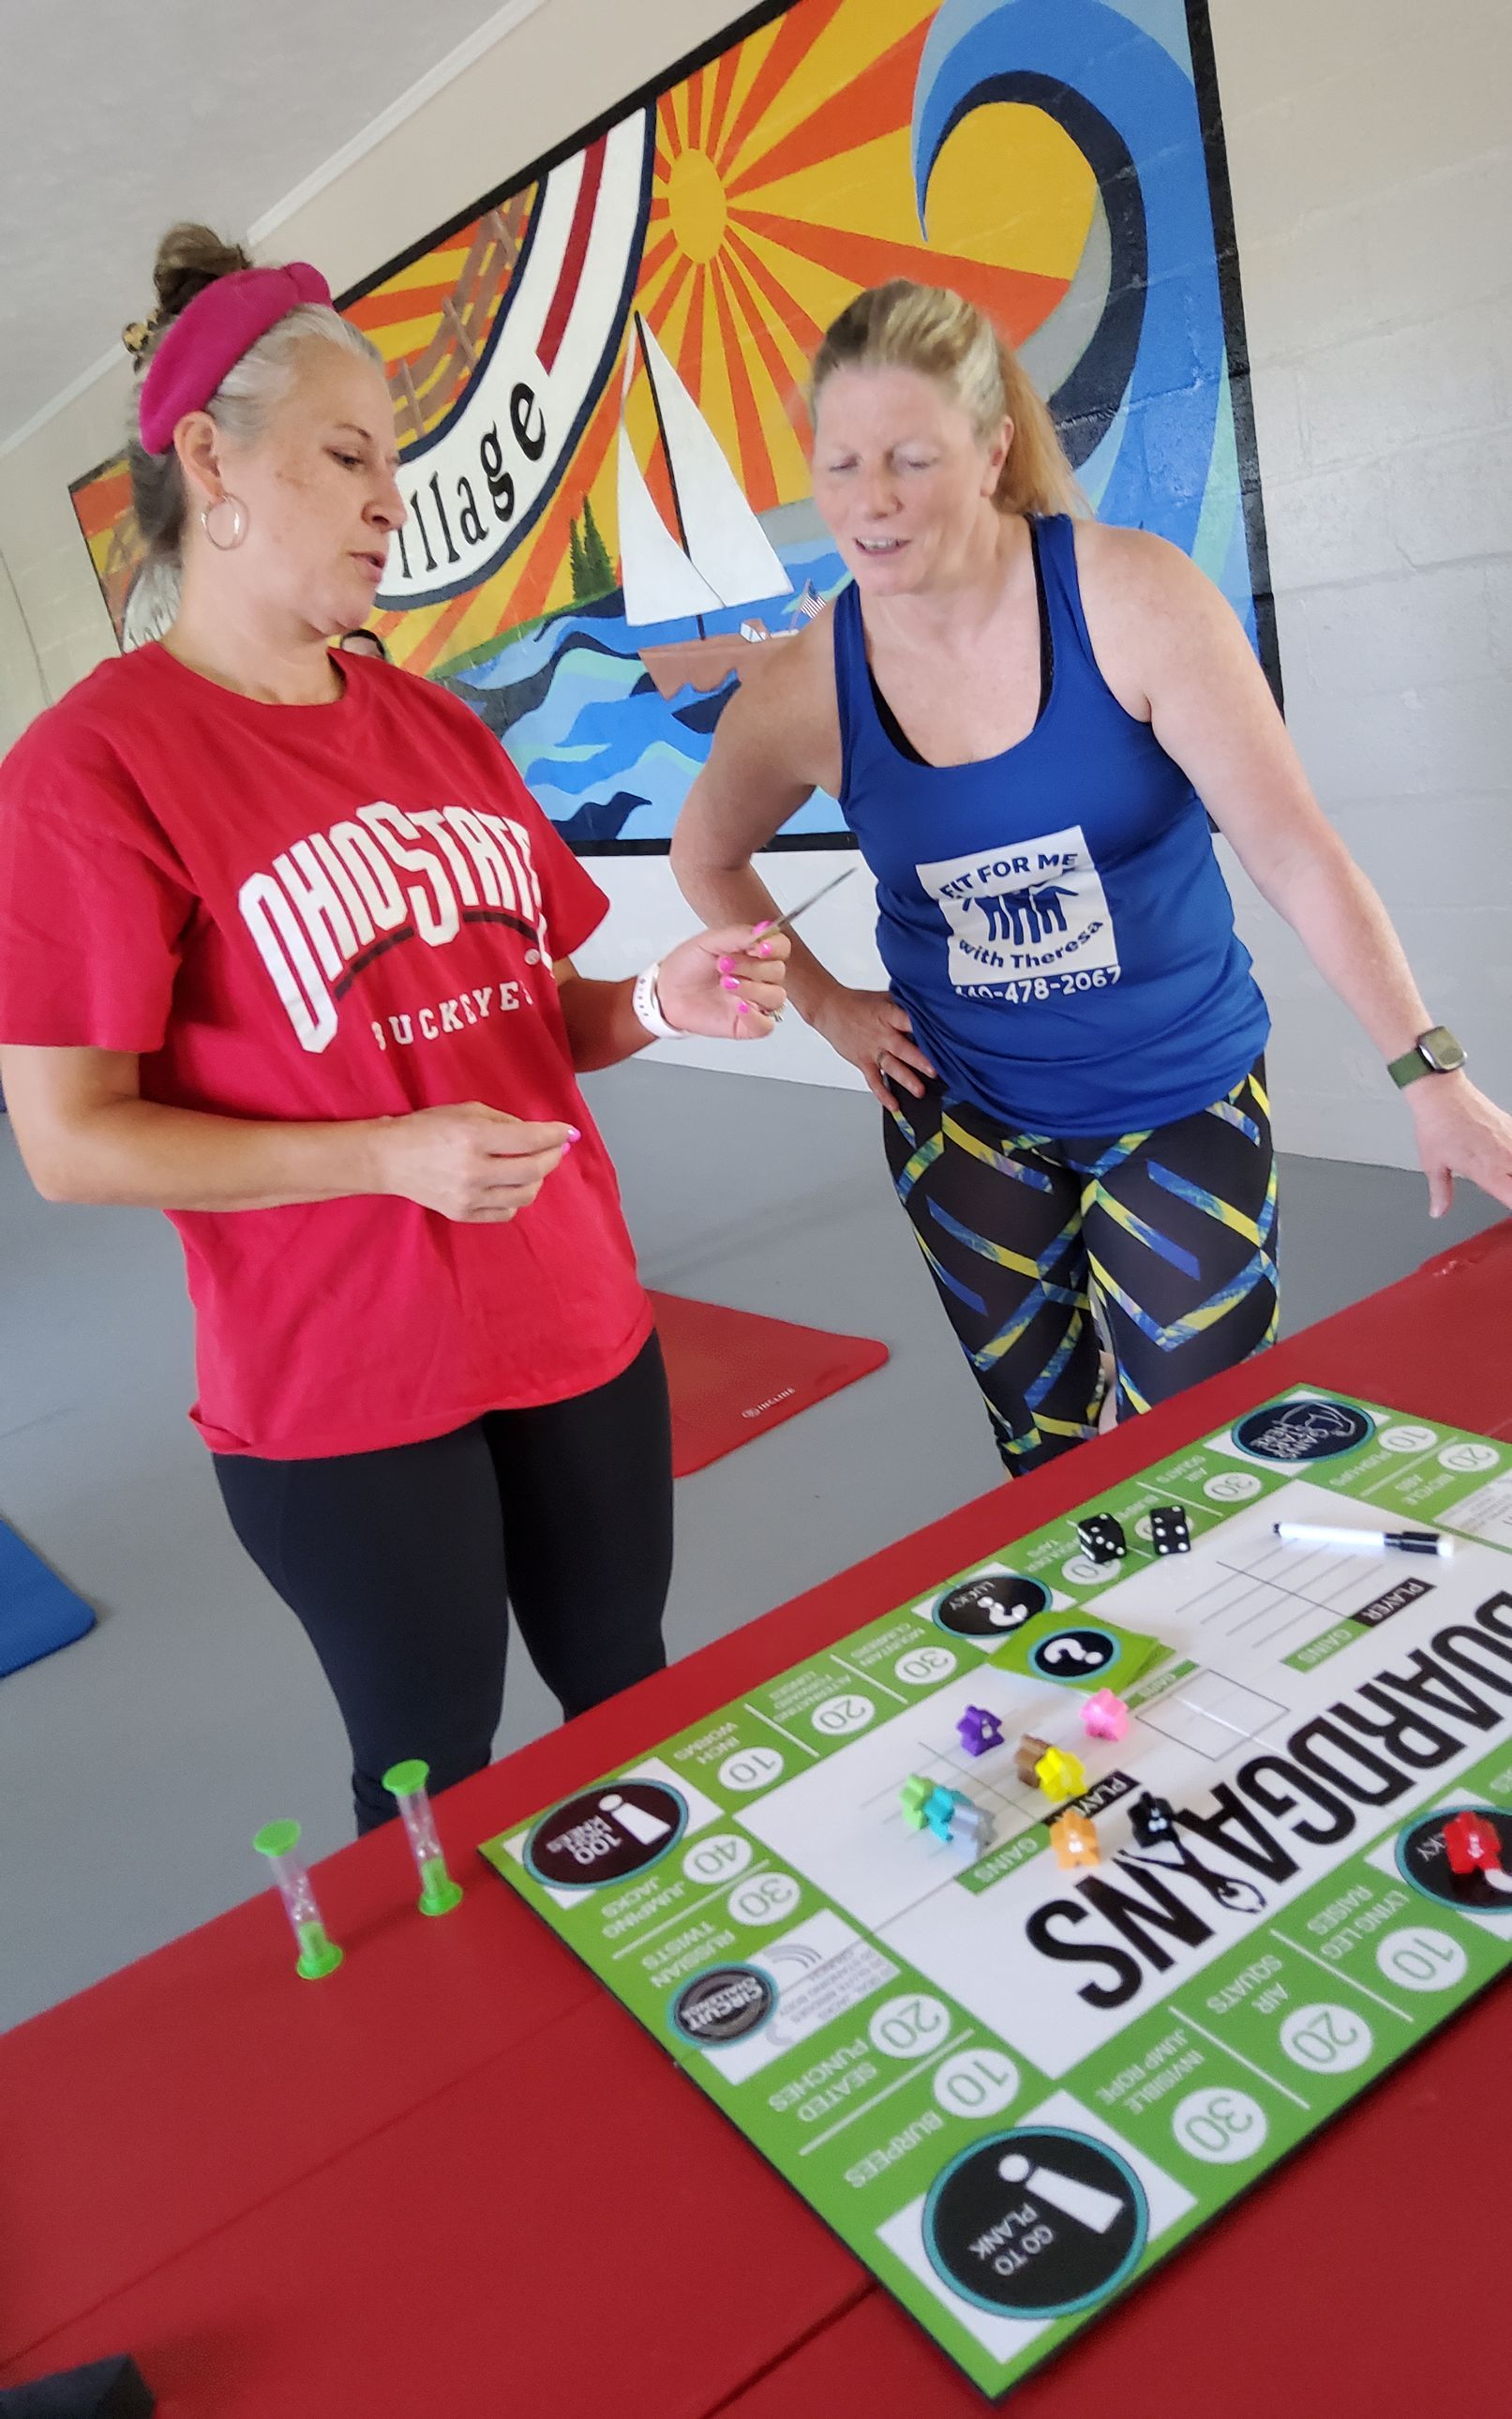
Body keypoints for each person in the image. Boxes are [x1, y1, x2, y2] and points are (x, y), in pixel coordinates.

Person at [0, 225, 788, 1830]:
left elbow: (529, 1017)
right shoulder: (92, 769)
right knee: (432, 1775)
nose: (389, 497)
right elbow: (71, 1144)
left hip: (573, 1318)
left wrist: (656, 998)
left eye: (396, 460)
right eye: (348, 454)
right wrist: (385, 1157)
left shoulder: (433, 719)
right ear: (212, 460)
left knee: (626, 1697)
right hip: (340, 1387)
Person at [672, 278, 1512, 1477]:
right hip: (960, 1110)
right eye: (840, 462)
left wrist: (1427, 1072)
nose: (870, 502)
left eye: (910, 458)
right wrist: (826, 1007)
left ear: (993, 449)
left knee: (1213, 1447)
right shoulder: (808, 683)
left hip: (1176, 1091)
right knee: (1046, 1452)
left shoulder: (1129, 597)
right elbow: (704, 855)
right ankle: (1098, 1667)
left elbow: (1292, 850)